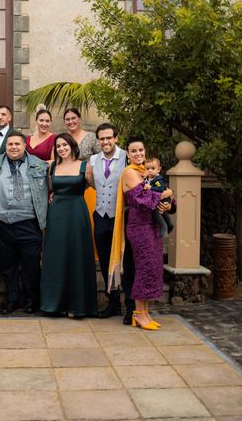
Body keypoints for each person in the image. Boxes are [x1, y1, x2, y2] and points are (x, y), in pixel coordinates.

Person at [110, 136, 173, 330]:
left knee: (152, 267)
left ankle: (145, 313)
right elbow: (143, 199)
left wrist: (168, 203)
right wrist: (163, 195)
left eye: (141, 150)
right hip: (139, 227)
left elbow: (160, 195)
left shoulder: (145, 173)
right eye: (134, 151)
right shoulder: (130, 173)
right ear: (127, 154)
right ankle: (138, 314)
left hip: (151, 225)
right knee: (143, 268)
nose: (138, 154)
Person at [0, 132, 48, 314]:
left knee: (31, 266)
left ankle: (31, 301)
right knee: (8, 266)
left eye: (17, 144)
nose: (13, 147)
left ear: (24, 145)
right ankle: (11, 301)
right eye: (10, 144)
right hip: (3, 222)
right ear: (6, 146)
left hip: (29, 223)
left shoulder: (40, 165)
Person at [40, 133, 98, 318]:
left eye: (65, 145)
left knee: (77, 256)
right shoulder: (52, 166)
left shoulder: (85, 166)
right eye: (58, 146)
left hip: (77, 213)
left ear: (72, 146)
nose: (62, 149)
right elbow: (48, 188)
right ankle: (54, 304)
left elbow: (97, 187)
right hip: (56, 214)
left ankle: (78, 305)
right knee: (56, 256)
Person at [90, 123, 136, 324]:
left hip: (122, 217)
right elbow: (92, 182)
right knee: (107, 259)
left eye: (109, 138)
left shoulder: (127, 157)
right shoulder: (93, 160)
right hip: (101, 215)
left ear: (116, 138)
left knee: (126, 262)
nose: (105, 142)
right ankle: (113, 302)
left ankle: (130, 307)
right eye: (101, 138)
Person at [64, 108, 100, 260]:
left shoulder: (91, 137)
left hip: (88, 186)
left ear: (79, 119)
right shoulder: (63, 139)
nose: (71, 121)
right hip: (70, 187)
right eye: (67, 119)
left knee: (90, 224)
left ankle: (93, 256)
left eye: (73, 118)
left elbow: (100, 158)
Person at [145, 157, 174, 237]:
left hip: (164, 198)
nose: (150, 170)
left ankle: (163, 227)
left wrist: (150, 188)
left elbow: (161, 189)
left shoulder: (158, 180)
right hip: (160, 199)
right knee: (162, 211)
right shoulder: (149, 179)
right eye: (147, 168)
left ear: (158, 169)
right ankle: (170, 224)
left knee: (156, 211)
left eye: (153, 168)